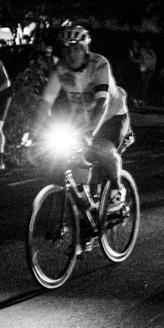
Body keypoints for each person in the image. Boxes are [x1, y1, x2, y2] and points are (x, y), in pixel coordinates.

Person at [38, 25, 131, 208]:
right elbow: (45, 103)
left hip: (111, 115)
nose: (71, 54)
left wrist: (89, 134)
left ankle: (116, 189)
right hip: (83, 119)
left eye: (75, 49)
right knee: (70, 160)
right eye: (67, 50)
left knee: (103, 148)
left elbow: (102, 103)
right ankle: (86, 207)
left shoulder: (99, 64)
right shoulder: (61, 70)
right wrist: (33, 135)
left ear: (84, 49)